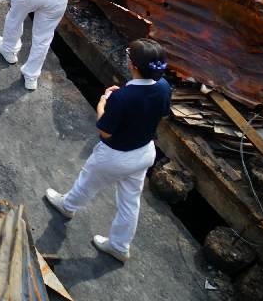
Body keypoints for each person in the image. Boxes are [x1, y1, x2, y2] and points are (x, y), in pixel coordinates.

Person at [44, 38, 173, 263]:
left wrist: (103, 103)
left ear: (133, 65)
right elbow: (159, 113)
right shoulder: (163, 87)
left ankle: (68, 206)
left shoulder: (123, 97)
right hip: (143, 153)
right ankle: (120, 246)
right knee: (130, 202)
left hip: (115, 156)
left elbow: (105, 131)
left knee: (87, 181)